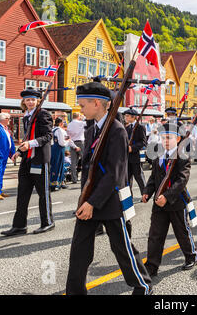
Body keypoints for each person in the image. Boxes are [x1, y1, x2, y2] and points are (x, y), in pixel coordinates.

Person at [66, 81, 152, 295]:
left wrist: (93, 202)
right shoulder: (93, 127)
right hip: (88, 199)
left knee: (122, 248)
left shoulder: (116, 130)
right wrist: (86, 199)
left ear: (97, 103)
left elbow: (115, 173)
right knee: (79, 251)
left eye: (83, 105)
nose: (80, 109)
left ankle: (143, 285)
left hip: (108, 200)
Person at [142, 121, 197, 277]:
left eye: (169, 138)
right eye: (163, 138)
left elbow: (182, 180)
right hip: (158, 203)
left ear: (178, 139)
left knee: (182, 232)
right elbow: (154, 177)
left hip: (176, 201)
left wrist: (166, 197)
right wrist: (147, 191)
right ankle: (152, 265)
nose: (165, 141)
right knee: (155, 235)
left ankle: (191, 255)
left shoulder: (182, 156)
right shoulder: (159, 155)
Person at [1, 88, 54, 236]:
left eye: (33, 99)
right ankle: (19, 226)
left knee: (43, 193)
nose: (30, 102)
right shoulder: (26, 116)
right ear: (23, 101)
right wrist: (20, 150)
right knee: (22, 193)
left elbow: (48, 136)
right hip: (27, 159)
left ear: (37, 101)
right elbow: (27, 137)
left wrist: (30, 144)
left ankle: (48, 222)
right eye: (27, 99)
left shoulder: (43, 114)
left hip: (39, 159)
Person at [123, 108, 147, 196]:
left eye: (127, 116)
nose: (125, 117)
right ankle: (129, 196)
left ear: (133, 117)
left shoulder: (140, 127)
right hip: (127, 157)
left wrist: (132, 148)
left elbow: (143, 142)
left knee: (139, 177)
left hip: (136, 156)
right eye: (125, 116)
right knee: (127, 178)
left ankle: (145, 194)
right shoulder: (127, 127)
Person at [50, 117, 77, 191]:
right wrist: (68, 141)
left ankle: (60, 182)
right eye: (63, 123)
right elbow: (62, 143)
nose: (64, 124)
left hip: (53, 149)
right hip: (59, 149)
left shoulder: (53, 129)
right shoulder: (60, 130)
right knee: (58, 165)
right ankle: (56, 184)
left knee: (55, 165)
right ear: (61, 123)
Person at [66, 113, 85, 184]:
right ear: (78, 117)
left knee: (73, 162)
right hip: (80, 142)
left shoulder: (69, 124)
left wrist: (73, 145)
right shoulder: (81, 123)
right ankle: (84, 178)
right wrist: (83, 118)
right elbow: (88, 122)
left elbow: (67, 137)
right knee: (84, 160)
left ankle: (74, 179)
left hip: (72, 143)